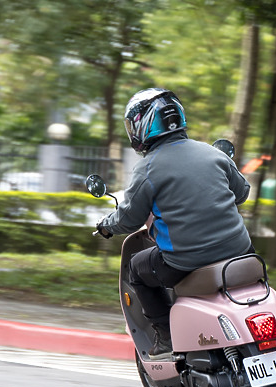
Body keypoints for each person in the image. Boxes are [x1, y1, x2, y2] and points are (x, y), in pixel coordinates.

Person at [96, 88, 252, 359]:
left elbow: (130, 217)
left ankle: (165, 336)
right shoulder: (213, 154)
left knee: (136, 270)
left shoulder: (148, 169)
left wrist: (107, 225)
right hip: (241, 251)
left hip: (185, 261)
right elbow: (242, 193)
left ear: (143, 125)